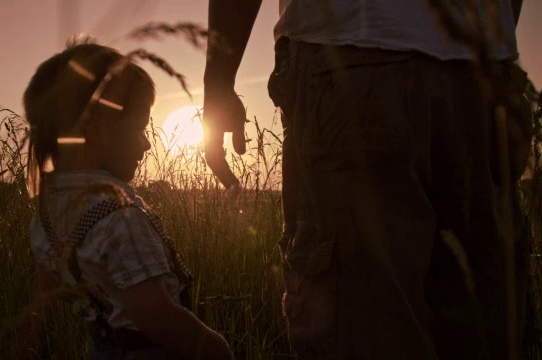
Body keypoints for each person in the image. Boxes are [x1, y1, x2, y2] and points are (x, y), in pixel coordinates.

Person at [203, 1, 532, 359]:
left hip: (350, 53)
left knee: (363, 333)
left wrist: (218, 79)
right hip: (484, 72)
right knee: (484, 330)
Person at [7, 39, 234, 360]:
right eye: (141, 128)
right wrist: (215, 347)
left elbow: (42, 297)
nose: (147, 145)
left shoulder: (46, 218)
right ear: (97, 131)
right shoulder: (120, 219)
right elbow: (157, 318)